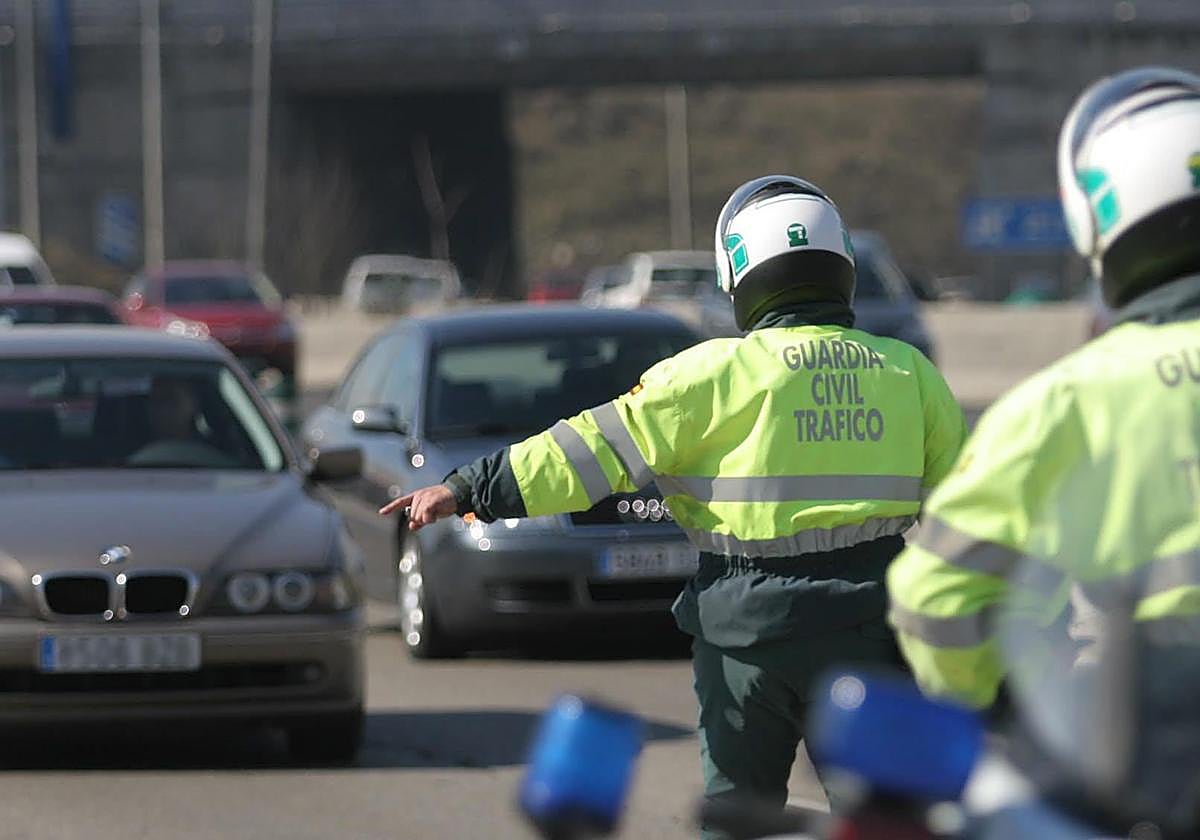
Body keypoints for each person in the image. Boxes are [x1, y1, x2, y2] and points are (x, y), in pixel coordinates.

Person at [381, 175, 966, 834]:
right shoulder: (907, 372)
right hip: (870, 630)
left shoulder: (707, 374)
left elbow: (584, 453)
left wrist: (469, 487)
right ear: (841, 270)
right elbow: (972, 514)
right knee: (885, 820)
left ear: (740, 275)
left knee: (735, 816)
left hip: (747, 637)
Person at [888, 67, 1200, 709]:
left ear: (1096, 218)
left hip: (1149, 762)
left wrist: (1005, 710)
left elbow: (936, 597)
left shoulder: (1065, 404)